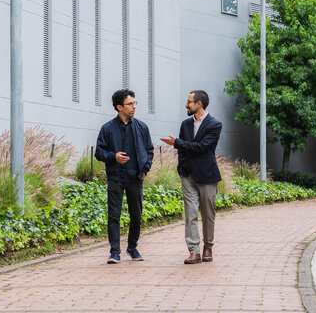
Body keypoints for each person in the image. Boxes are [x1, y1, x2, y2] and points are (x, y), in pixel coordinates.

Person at [160, 90, 222, 264]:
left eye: (189, 102)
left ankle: (208, 247)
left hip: (207, 176)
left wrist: (177, 143)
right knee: (190, 214)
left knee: (208, 214)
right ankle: (194, 251)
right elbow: (183, 151)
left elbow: (202, 147)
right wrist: (181, 167)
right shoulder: (185, 124)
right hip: (187, 175)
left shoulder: (215, 125)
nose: (186, 105)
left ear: (199, 104)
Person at [95, 89, 153, 264]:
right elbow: (99, 153)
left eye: (135, 103)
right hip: (116, 178)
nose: (134, 107)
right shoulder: (107, 128)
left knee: (137, 215)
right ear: (119, 107)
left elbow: (149, 151)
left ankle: (132, 247)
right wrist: (114, 157)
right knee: (114, 215)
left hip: (136, 178)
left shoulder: (142, 127)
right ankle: (114, 252)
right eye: (130, 104)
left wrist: (146, 169)